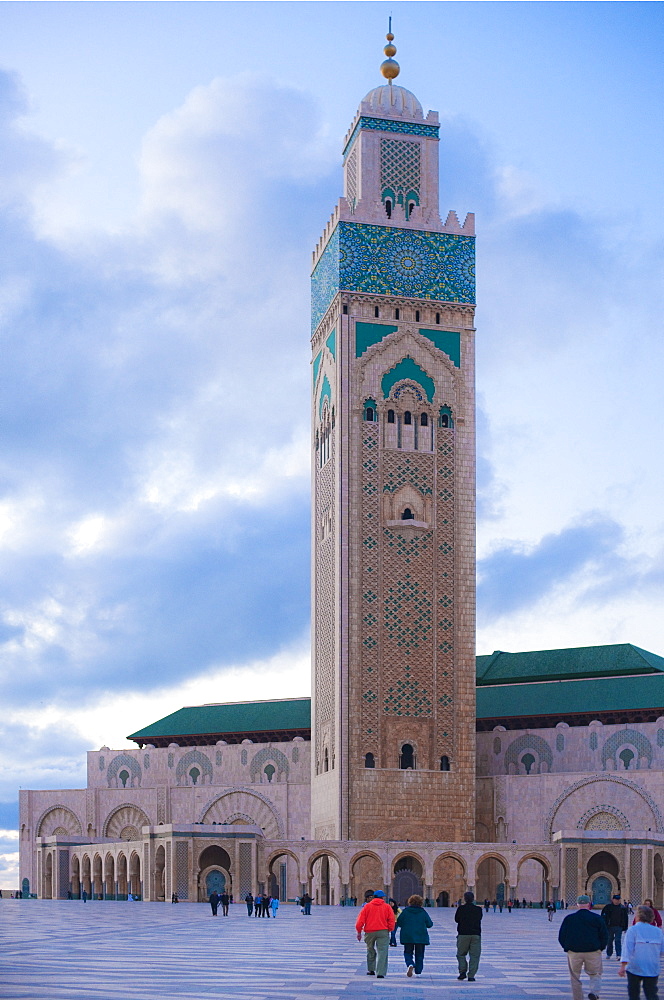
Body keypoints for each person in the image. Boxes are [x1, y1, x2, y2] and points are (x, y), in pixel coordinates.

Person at [558, 893, 608, 1000]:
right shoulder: (597, 918)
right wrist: (600, 948)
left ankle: (578, 998)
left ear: (577, 904)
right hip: (593, 951)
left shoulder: (569, 919)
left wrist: (567, 948)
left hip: (574, 952)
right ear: (589, 904)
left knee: (575, 977)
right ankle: (594, 993)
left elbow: (561, 936)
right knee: (595, 974)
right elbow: (604, 935)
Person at [619, 904, 664, 1000]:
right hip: (652, 967)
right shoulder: (658, 931)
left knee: (634, 994)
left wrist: (623, 966)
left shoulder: (633, 930)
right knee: (651, 994)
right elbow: (661, 950)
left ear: (638, 916)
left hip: (635, 967)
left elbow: (627, 949)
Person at [356, 889, 396, 979]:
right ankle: (380, 972)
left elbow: (360, 921)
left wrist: (359, 931)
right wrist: (390, 929)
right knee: (382, 952)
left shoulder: (367, 907)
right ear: (382, 898)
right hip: (383, 931)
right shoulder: (387, 907)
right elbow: (391, 920)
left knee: (370, 950)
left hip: (369, 931)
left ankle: (371, 969)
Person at [396, 893, 433, 978]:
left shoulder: (405, 911)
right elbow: (430, 924)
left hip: (408, 936)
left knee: (408, 952)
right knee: (419, 954)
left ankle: (410, 964)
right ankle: (418, 971)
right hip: (420, 936)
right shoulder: (423, 912)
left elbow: (399, 922)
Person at [455, 890, 483, 981]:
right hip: (475, 935)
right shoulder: (478, 909)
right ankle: (471, 975)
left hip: (463, 934)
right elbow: (479, 918)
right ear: (473, 899)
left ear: (465, 899)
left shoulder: (461, 909)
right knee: (474, 955)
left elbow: (456, 919)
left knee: (461, 954)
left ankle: (462, 972)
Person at [602, 893, 629, 960]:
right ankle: (609, 953)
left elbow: (626, 918)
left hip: (619, 927)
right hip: (609, 927)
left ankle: (618, 954)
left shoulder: (622, 908)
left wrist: (625, 927)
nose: (617, 901)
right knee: (609, 941)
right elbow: (603, 917)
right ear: (613, 900)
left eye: (618, 899)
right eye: (616, 899)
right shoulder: (607, 907)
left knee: (618, 940)